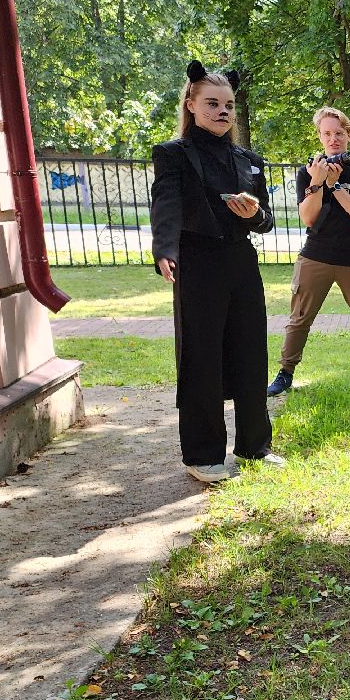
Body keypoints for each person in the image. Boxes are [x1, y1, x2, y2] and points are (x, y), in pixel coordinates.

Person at [151, 61, 283, 485]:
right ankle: (203, 455)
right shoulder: (173, 154)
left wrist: (253, 213)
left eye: (228, 105)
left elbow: (267, 221)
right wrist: (165, 249)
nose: (223, 111)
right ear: (191, 105)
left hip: (241, 262)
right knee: (202, 357)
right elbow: (166, 202)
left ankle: (255, 446)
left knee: (251, 354)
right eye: (212, 103)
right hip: (197, 262)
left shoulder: (248, 159)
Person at [267, 107, 350, 398]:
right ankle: (285, 373)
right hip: (315, 255)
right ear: (320, 136)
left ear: (348, 135)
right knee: (299, 317)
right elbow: (308, 217)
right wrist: (317, 182)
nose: (333, 139)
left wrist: (336, 186)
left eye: (339, 133)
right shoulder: (308, 172)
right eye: (327, 133)